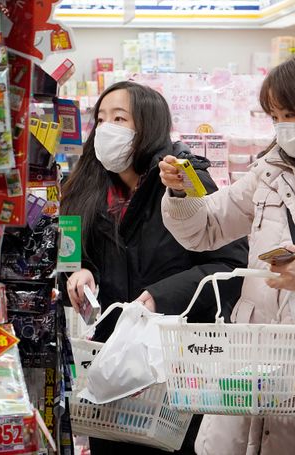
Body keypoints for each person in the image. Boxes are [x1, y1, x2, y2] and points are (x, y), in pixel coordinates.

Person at [159, 50, 295, 455]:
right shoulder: (270, 172)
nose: (282, 126)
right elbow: (207, 228)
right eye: (274, 116)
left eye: (291, 114)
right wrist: (180, 193)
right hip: (252, 353)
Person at [60, 80, 248, 455]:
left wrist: (161, 297)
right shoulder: (84, 184)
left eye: (120, 118)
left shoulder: (182, 181)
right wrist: (77, 272)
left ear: (148, 125)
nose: (106, 129)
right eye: (101, 119)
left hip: (176, 366)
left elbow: (230, 265)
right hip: (112, 368)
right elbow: (69, 256)